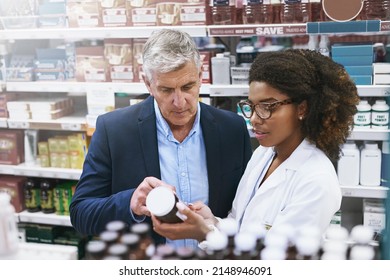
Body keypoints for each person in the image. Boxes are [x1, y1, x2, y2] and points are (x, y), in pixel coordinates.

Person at [152, 49, 360, 246]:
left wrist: (204, 235)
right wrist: (212, 222)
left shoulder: (316, 180)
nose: (254, 119)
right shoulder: (264, 154)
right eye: (251, 106)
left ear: (302, 108)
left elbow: (276, 263)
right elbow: (240, 225)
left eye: (267, 107)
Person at [69, 29, 253, 249]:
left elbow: (248, 212)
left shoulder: (232, 129)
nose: (179, 102)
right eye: (166, 90)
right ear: (148, 84)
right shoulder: (114, 130)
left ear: (200, 75)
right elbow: (81, 213)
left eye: (187, 87)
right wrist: (130, 203)